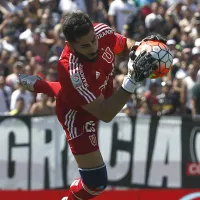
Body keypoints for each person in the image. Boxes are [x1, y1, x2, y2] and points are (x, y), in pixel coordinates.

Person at [18, 12, 166, 200]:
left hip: (100, 89)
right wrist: (132, 80)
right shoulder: (73, 72)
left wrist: (143, 47)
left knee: (74, 92)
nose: (93, 48)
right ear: (70, 46)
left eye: (93, 41)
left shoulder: (101, 31)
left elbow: (124, 43)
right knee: (96, 183)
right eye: (85, 46)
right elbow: (105, 113)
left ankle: (41, 85)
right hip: (77, 114)